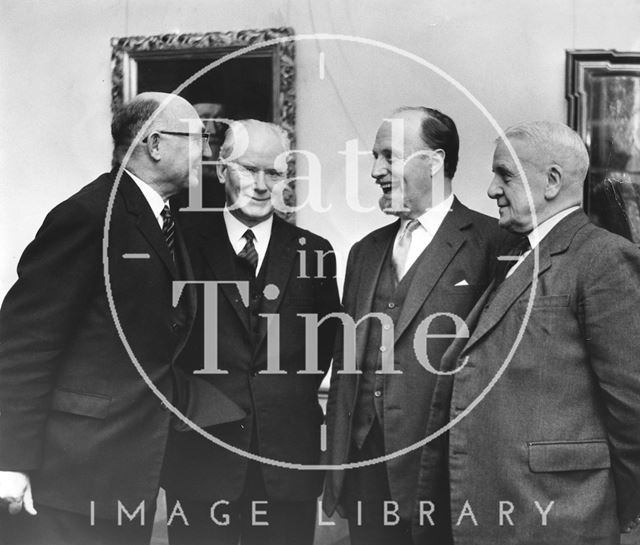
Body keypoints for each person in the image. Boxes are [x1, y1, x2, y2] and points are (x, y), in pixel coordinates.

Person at [0, 92, 244, 545]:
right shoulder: (89, 215)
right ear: (154, 145)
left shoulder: (164, 218)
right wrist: (11, 461)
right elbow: (24, 342)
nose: (206, 154)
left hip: (123, 472)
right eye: (195, 139)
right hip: (71, 475)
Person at [413, 121, 640, 544]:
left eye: (505, 174)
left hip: (557, 520)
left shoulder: (604, 259)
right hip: (503, 513)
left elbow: (634, 412)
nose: (491, 190)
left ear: (552, 181)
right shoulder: (516, 253)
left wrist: (606, 515)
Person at [323, 107, 505, 545]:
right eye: (375, 157)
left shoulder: (494, 243)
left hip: (443, 473)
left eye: (389, 156)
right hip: (364, 467)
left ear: (434, 162)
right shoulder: (364, 252)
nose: (375, 171)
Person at [161, 119, 341, 545]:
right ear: (222, 170)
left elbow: (322, 348)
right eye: (248, 170)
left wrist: (276, 399)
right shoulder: (180, 243)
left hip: (287, 462)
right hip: (199, 457)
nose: (262, 185)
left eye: (275, 172)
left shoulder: (313, 252)